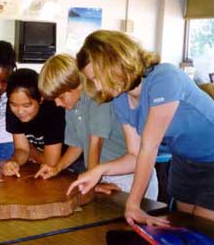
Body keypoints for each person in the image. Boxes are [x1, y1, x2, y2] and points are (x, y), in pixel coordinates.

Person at [74, 29, 214, 226]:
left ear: (117, 61)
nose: (97, 87)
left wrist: (133, 204)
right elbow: (134, 154)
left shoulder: (165, 78)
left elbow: (149, 147)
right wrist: (98, 170)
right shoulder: (121, 98)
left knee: (203, 229)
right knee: (186, 226)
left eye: (98, 77)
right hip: (184, 160)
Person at [35, 54, 158, 199]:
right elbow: (77, 146)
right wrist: (57, 168)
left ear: (78, 85)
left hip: (130, 175)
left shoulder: (98, 97)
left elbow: (96, 142)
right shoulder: (71, 107)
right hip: (101, 174)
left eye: (61, 97)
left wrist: (91, 179)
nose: (57, 103)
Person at [3, 68, 65, 177]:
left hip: (71, 167)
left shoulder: (53, 110)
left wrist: (32, 151)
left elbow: (51, 163)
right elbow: (22, 149)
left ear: (41, 98)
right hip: (44, 168)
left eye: (27, 105)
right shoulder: (14, 107)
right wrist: (14, 161)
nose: (20, 111)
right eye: (13, 105)